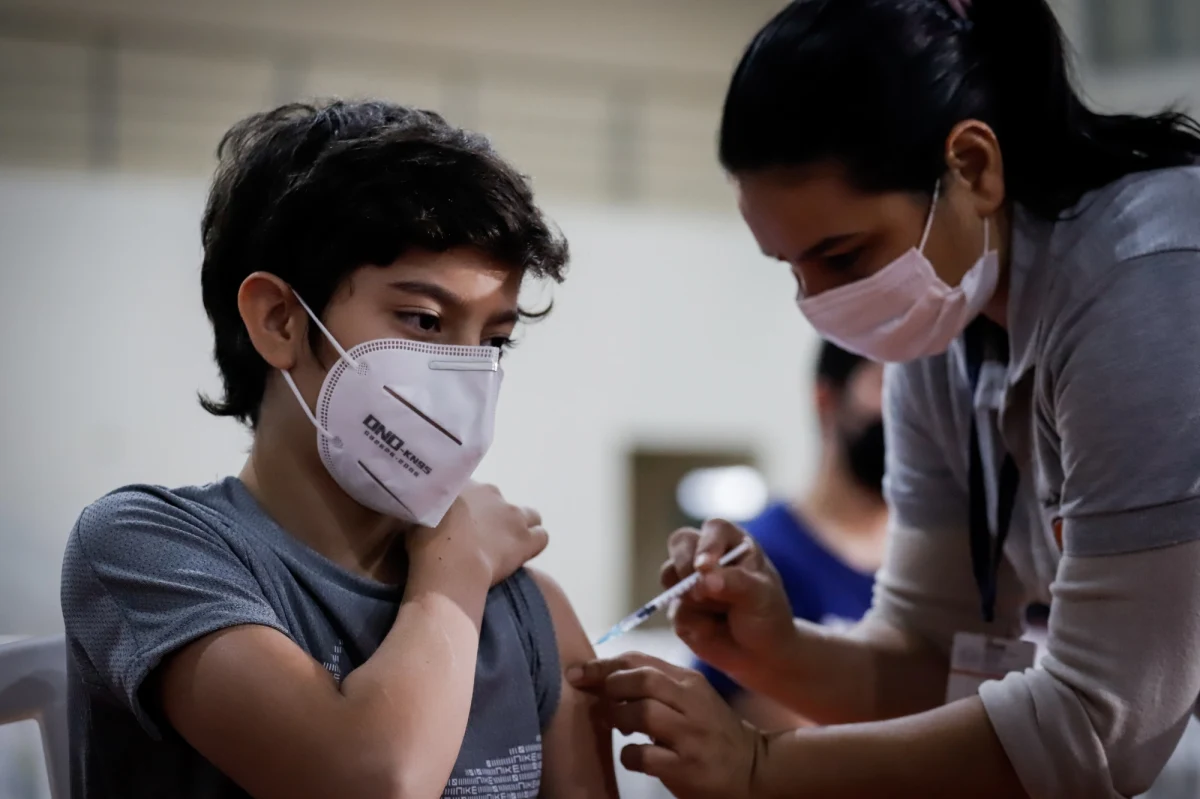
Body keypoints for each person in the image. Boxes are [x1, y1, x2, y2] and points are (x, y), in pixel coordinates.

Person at [569, 0, 1200, 797]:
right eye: (790, 268)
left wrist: (760, 767)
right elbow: (935, 658)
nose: (820, 303)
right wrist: (773, 650)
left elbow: (1103, 726)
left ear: (973, 166)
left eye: (842, 255)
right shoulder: (945, 330)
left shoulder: (1152, 279)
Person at [60, 100, 617, 799]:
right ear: (279, 320)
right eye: (424, 320)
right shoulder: (148, 548)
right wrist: (453, 567)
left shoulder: (532, 613)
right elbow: (370, 781)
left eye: (494, 339)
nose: (468, 372)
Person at [695, 340, 887, 731]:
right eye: (889, 385)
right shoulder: (762, 557)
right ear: (826, 398)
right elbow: (792, 744)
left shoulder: (954, 563)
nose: (914, 411)